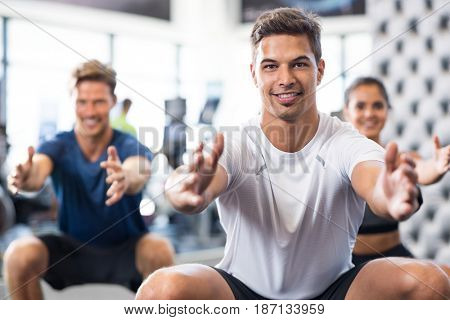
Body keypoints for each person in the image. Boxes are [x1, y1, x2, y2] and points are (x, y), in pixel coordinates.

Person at [135, 8, 449, 300]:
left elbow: (373, 178)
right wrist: (185, 189)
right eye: (270, 66)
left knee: (431, 282)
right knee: (160, 290)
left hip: (335, 290)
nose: (285, 78)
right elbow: (190, 181)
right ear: (254, 74)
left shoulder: (344, 140)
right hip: (241, 289)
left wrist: (388, 195)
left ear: (320, 70)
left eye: (299, 63)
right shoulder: (234, 142)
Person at [3, 60, 174, 299]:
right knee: (18, 255)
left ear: (112, 102)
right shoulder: (58, 145)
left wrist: (125, 177)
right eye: (82, 102)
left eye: (99, 102)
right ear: (72, 101)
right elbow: (37, 173)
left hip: (125, 250)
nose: (90, 112)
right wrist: (24, 177)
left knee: (160, 250)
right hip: (71, 250)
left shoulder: (127, 144)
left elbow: (138, 169)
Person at [343, 77, 450, 274]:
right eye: (360, 106)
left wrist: (437, 165)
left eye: (377, 106)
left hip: (393, 255)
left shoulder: (399, 158)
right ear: (346, 111)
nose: (369, 113)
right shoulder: (338, 159)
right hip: (348, 263)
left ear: (387, 110)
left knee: (443, 279)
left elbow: (422, 169)